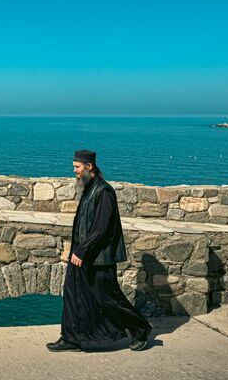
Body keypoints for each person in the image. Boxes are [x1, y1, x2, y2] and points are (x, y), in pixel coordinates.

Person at [46, 149, 153, 352]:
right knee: (72, 294)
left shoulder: (104, 192)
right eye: (74, 167)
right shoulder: (89, 188)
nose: (74, 171)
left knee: (108, 298)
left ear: (89, 166)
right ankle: (70, 338)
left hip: (97, 259)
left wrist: (82, 251)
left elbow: (100, 229)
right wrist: (77, 252)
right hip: (82, 255)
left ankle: (140, 329)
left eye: (77, 167)